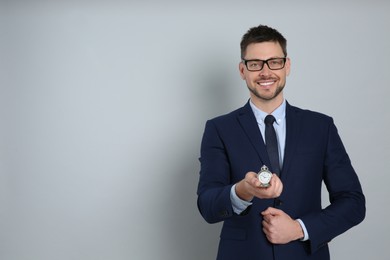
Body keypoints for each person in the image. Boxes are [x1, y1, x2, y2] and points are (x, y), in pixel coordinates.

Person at [196, 25, 365, 260]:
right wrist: (243, 191)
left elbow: (353, 202)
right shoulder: (219, 129)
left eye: (274, 62)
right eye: (255, 64)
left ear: (287, 66)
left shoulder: (320, 127)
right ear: (242, 70)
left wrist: (299, 228)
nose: (265, 72)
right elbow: (207, 205)